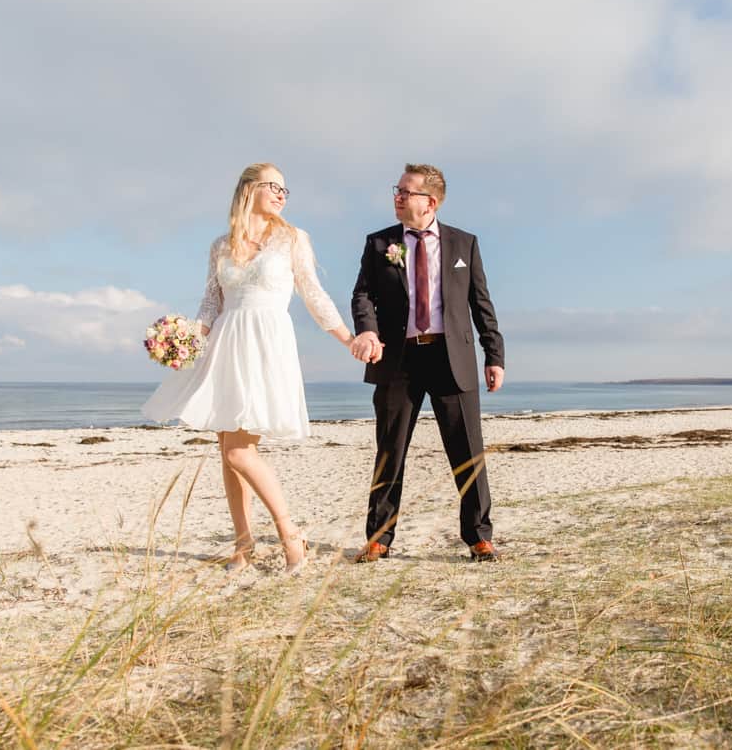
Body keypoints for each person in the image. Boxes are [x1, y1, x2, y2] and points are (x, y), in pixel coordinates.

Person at [142, 162, 354, 573]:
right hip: (226, 342)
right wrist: (187, 340)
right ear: (248, 188)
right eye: (273, 186)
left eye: (285, 190)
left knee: (240, 452)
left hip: (266, 343)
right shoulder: (221, 245)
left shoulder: (292, 238)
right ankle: (243, 546)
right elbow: (210, 302)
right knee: (229, 450)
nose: (281, 194)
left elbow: (313, 294)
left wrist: (347, 338)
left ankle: (291, 535)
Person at [349, 163, 506, 562]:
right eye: (397, 190)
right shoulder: (379, 243)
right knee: (390, 450)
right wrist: (367, 330)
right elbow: (362, 295)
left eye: (406, 191)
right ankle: (380, 539)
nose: (397, 196)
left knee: (467, 451)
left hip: (451, 357)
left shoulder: (463, 244)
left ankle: (478, 537)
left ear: (430, 201)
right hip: (397, 359)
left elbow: (480, 302)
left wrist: (494, 354)